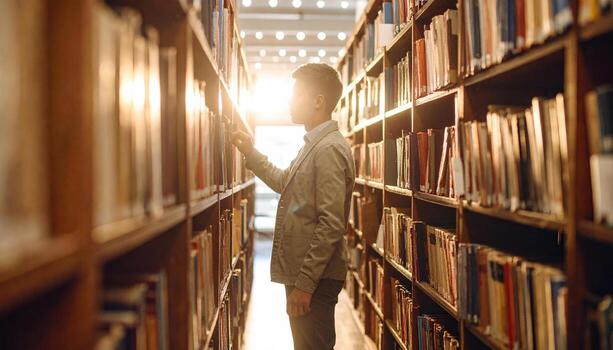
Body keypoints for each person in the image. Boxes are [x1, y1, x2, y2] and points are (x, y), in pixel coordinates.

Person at [231, 63, 355, 350]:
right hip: (307, 274)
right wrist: (250, 151)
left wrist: (305, 284)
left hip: (314, 278)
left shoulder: (328, 150)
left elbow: (331, 224)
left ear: (318, 102)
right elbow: (283, 181)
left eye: (296, 94)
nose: (289, 101)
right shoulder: (313, 145)